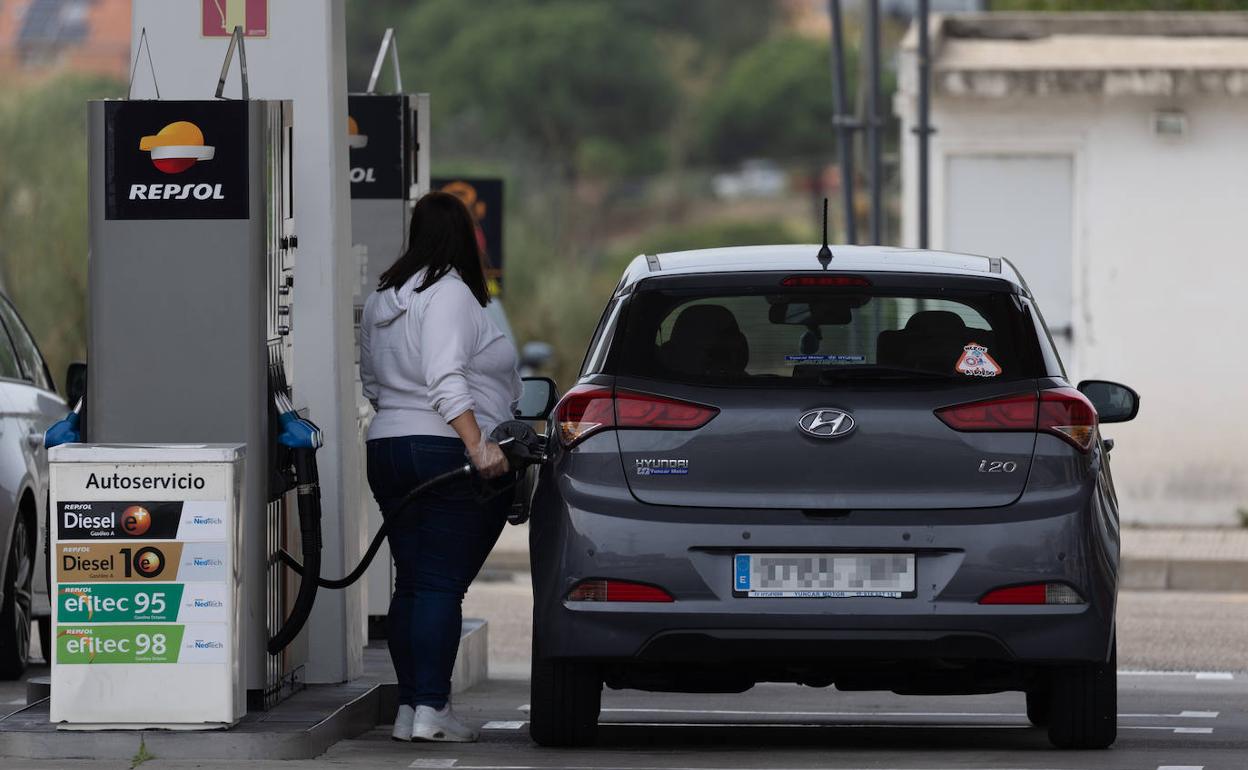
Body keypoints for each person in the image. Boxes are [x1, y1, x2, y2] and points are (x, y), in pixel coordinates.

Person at [359, 191, 521, 743]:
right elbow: (445, 378)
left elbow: (374, 383)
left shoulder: (383, 297)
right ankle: (431, 708)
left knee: (414, 583)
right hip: (444, 452)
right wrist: (479, 446)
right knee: (439, 585)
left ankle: (410, 709)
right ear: (463, 237)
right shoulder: (448, 293)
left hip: (388, 448)